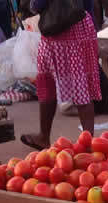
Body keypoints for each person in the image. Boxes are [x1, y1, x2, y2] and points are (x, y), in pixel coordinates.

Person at [20, 0, 102, 148]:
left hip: (59, 32)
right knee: (82, 85)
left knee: (47, 82)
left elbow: (37, 5)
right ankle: (87, 142)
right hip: (82, 26)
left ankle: (46, 137)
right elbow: (90, 4)